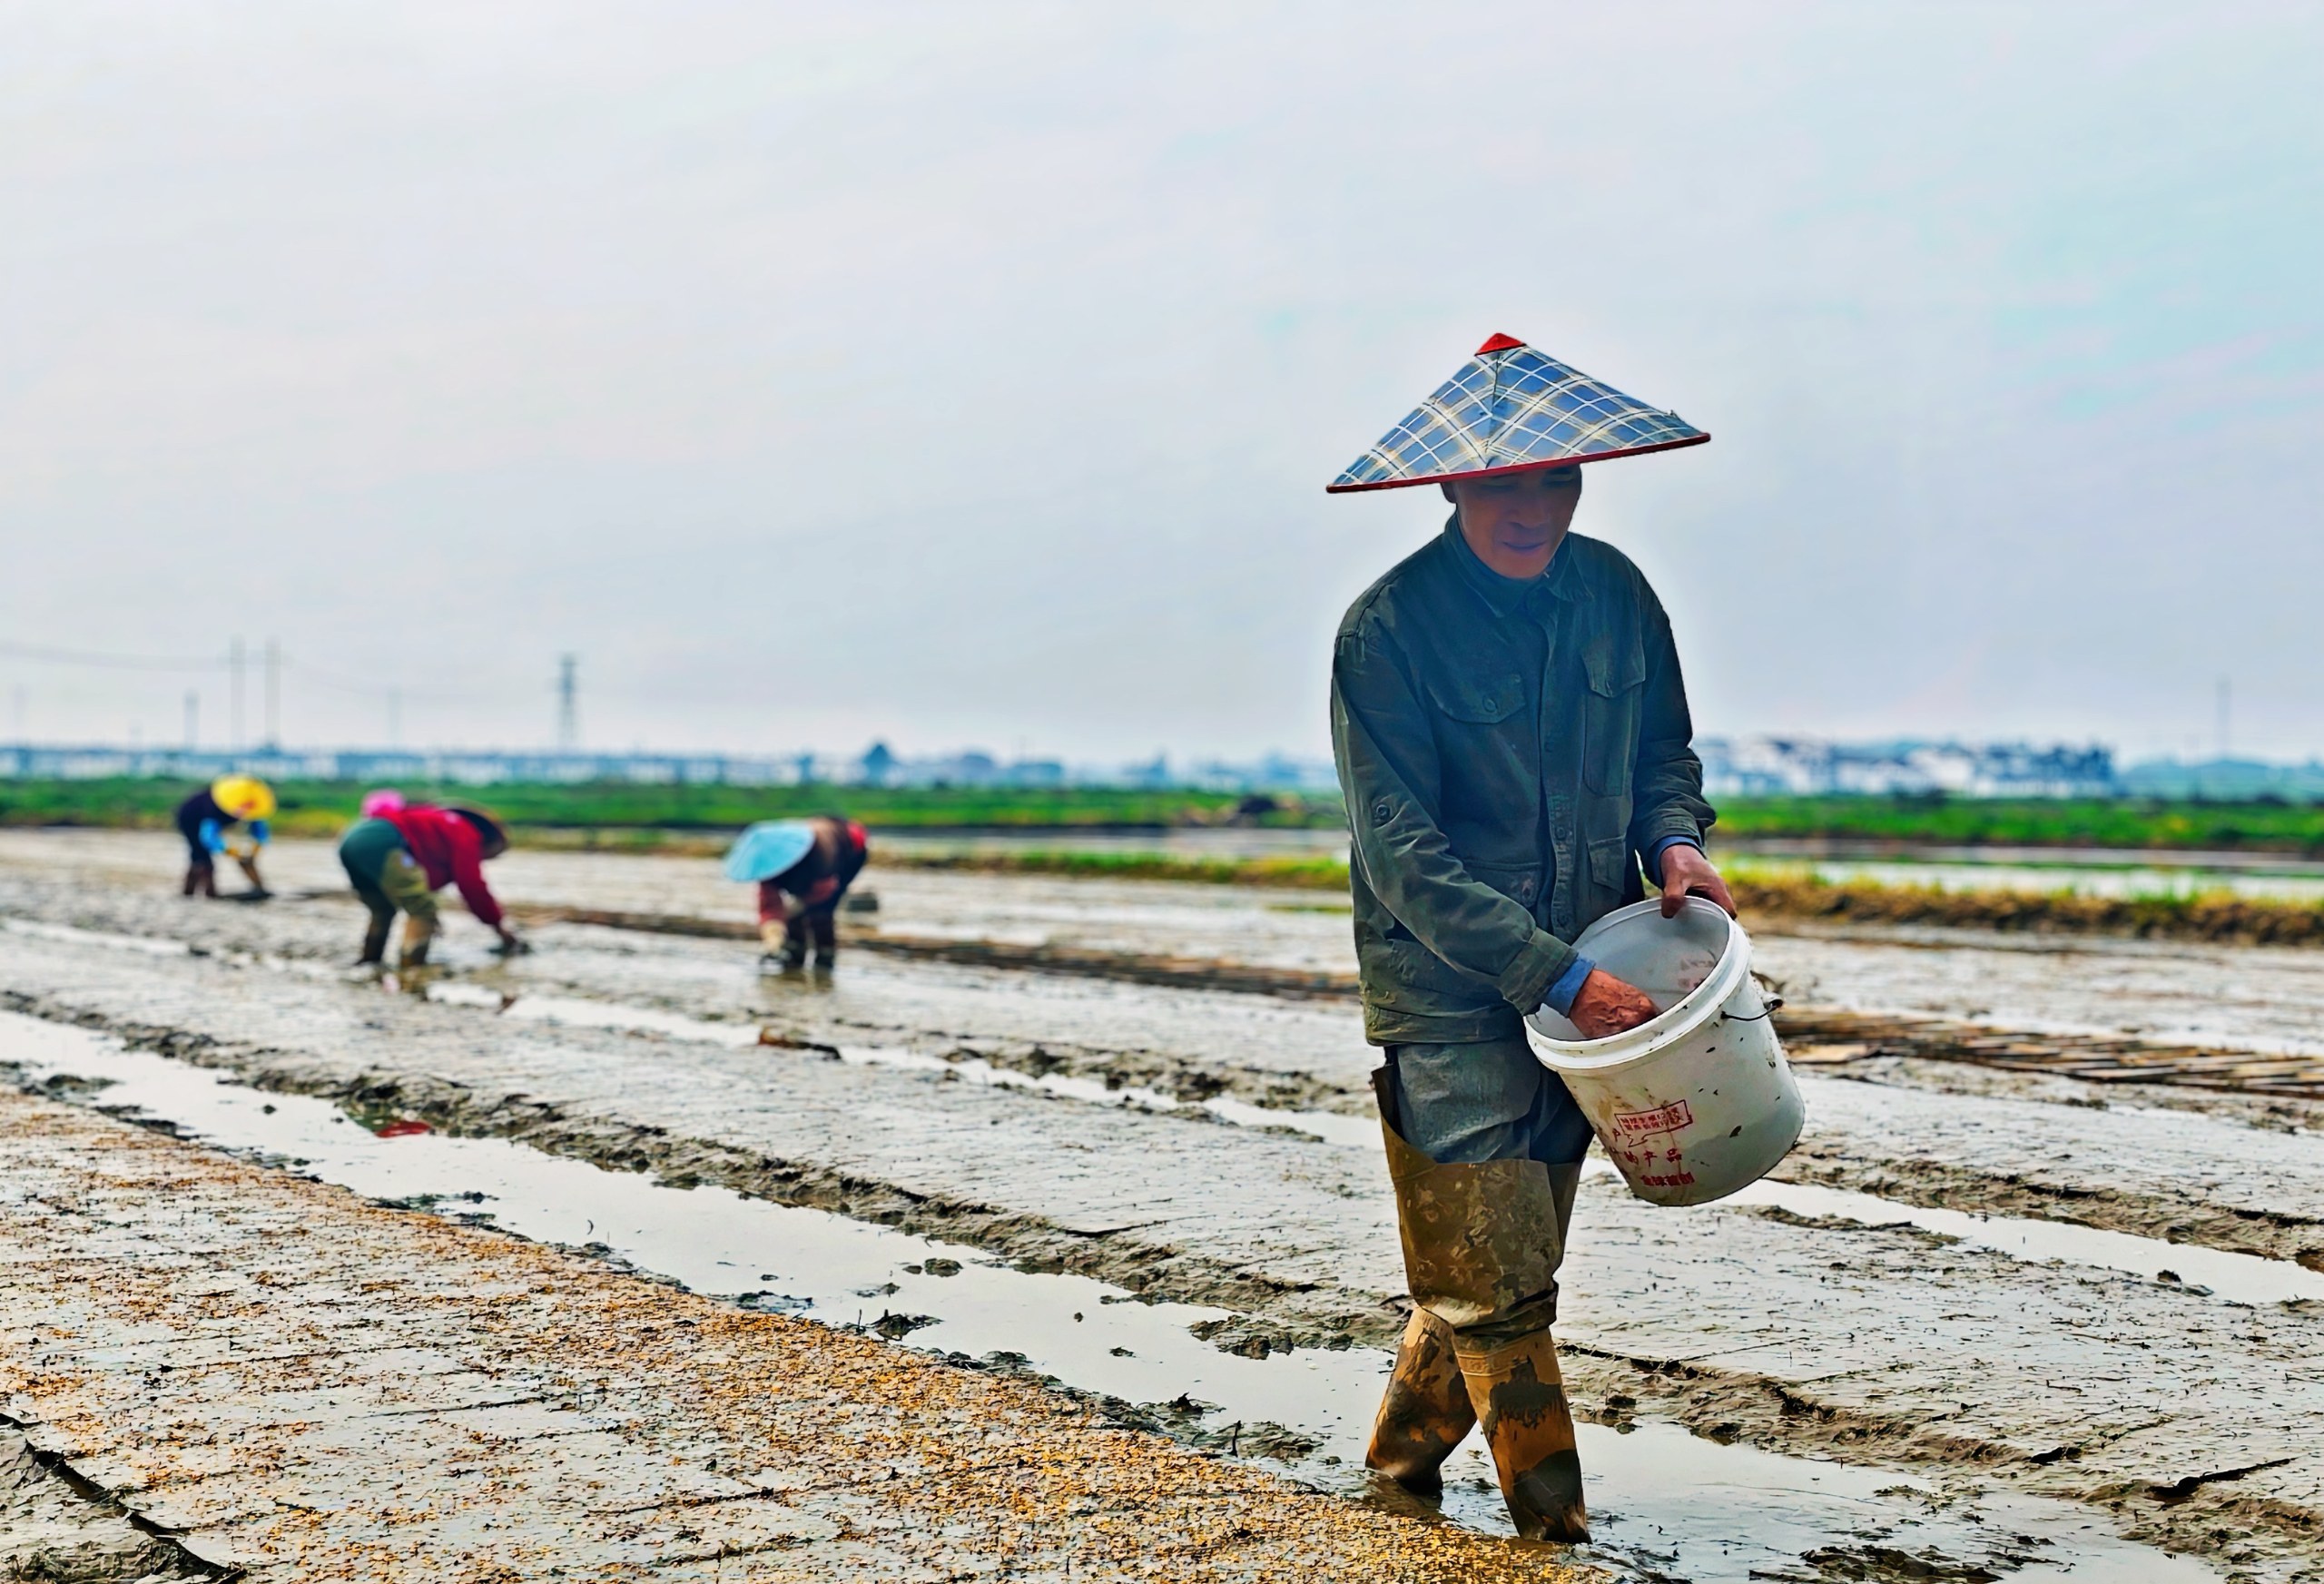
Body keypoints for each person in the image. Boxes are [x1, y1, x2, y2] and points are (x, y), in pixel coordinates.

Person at [1327, 334, 1737, 1543]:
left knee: (1496, 1268)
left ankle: (1393, 1477)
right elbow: (1403, 855)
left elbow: (1662, 755)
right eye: (1505, 483)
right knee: (1501, 1288)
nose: (1533, 506)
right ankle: (1555, 1539)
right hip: (1454, 993)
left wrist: (1675, 842)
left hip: (1600, 970)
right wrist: (1552, 974)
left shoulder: (1616, 596)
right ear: (1453, 485)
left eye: (1556, 480)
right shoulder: (1386, 631)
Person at [337, 802, 526, 967]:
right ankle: (411, 969)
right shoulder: (466, 832)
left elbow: (422, 878)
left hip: (352, 837)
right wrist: (497, 925)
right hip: (384, 840)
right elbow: (472, 886)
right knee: (423, 910)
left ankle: (369, 962)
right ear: (490, 841)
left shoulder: (440, 824)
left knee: (382, 910)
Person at [753, 816, 869, 969]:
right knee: (793, 915)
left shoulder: (819, 853)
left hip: (849, 850)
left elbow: (825, 889)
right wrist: (773, 937)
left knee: (821, 911)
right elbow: (768, 903)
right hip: (818, 841)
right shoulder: (767, 863)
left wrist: (796, 907)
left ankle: (825, 958)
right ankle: (794, 953)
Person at [174, 775, 275, 900]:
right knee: (202, 857)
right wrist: (228, 850)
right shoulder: (214, 807)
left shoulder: (253, 807)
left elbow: (260, 831)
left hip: (207, 823)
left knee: (198, 859)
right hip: (189, 819)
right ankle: (207, 895)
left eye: (249, 807)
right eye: (243, 808)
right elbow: (208, 837)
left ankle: (190, 895)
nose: (244, 811)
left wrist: (257, 847)